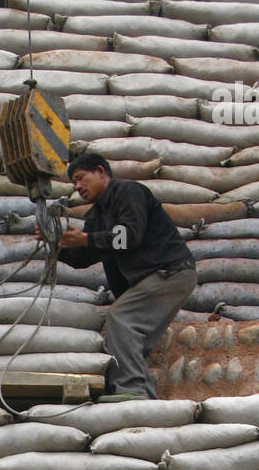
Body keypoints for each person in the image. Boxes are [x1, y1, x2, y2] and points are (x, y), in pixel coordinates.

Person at [56, 153, 197, 400]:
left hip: (169, 272)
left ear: (100, 171)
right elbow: (84, 258)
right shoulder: (96, 215)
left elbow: (129, 236)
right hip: (154, 278)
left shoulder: (127, 192)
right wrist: (57, 245)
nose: (77, 187)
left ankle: (132, 390)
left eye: (80, 178)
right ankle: (146, 404)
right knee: (131, 342)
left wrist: (87, 238)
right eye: (73, 184)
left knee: (121, 318)